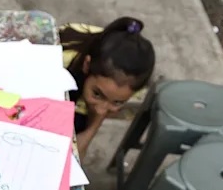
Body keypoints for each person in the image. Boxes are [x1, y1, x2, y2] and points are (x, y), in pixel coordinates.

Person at [60, 17, 155, 155]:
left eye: (117, 102)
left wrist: (92, 129)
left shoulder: (132, 87)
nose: (101, 110)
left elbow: (75, 155)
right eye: (97, 94)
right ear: (87, 64)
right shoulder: (59, 56)